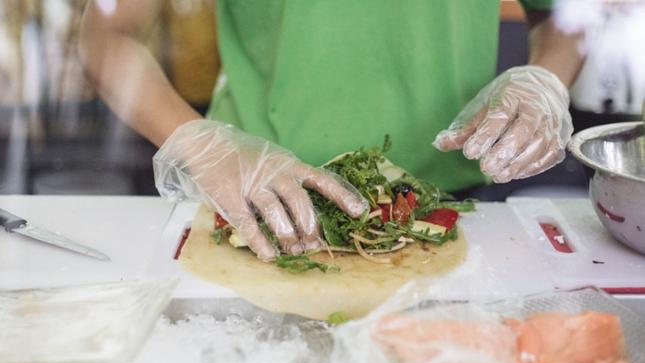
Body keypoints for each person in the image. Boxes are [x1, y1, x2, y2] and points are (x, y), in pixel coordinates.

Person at [79, 0, 583, 260]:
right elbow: (105, 33)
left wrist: (545, 81)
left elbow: (574, 15)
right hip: (253, 206)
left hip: (448, 210)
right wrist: (198, 143)